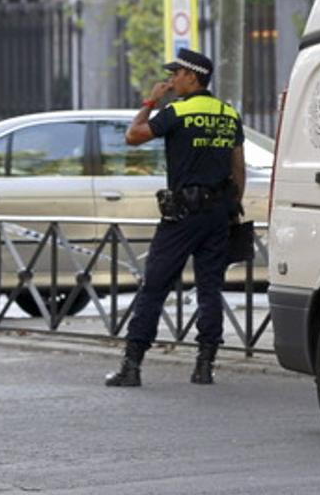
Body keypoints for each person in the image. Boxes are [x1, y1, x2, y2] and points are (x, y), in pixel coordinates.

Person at [105, 48, 245, 387]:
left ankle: (132, 366)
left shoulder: (177, 112)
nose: (171, 80)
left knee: (154, 286)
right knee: (210, 289)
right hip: (216, 216)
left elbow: (132, 136)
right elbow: (237, 169)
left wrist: (151, 101)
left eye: (177, 74)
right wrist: (230, 208)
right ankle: (205, 366)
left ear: (192, 77)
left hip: (182, 215)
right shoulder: (228, 114)